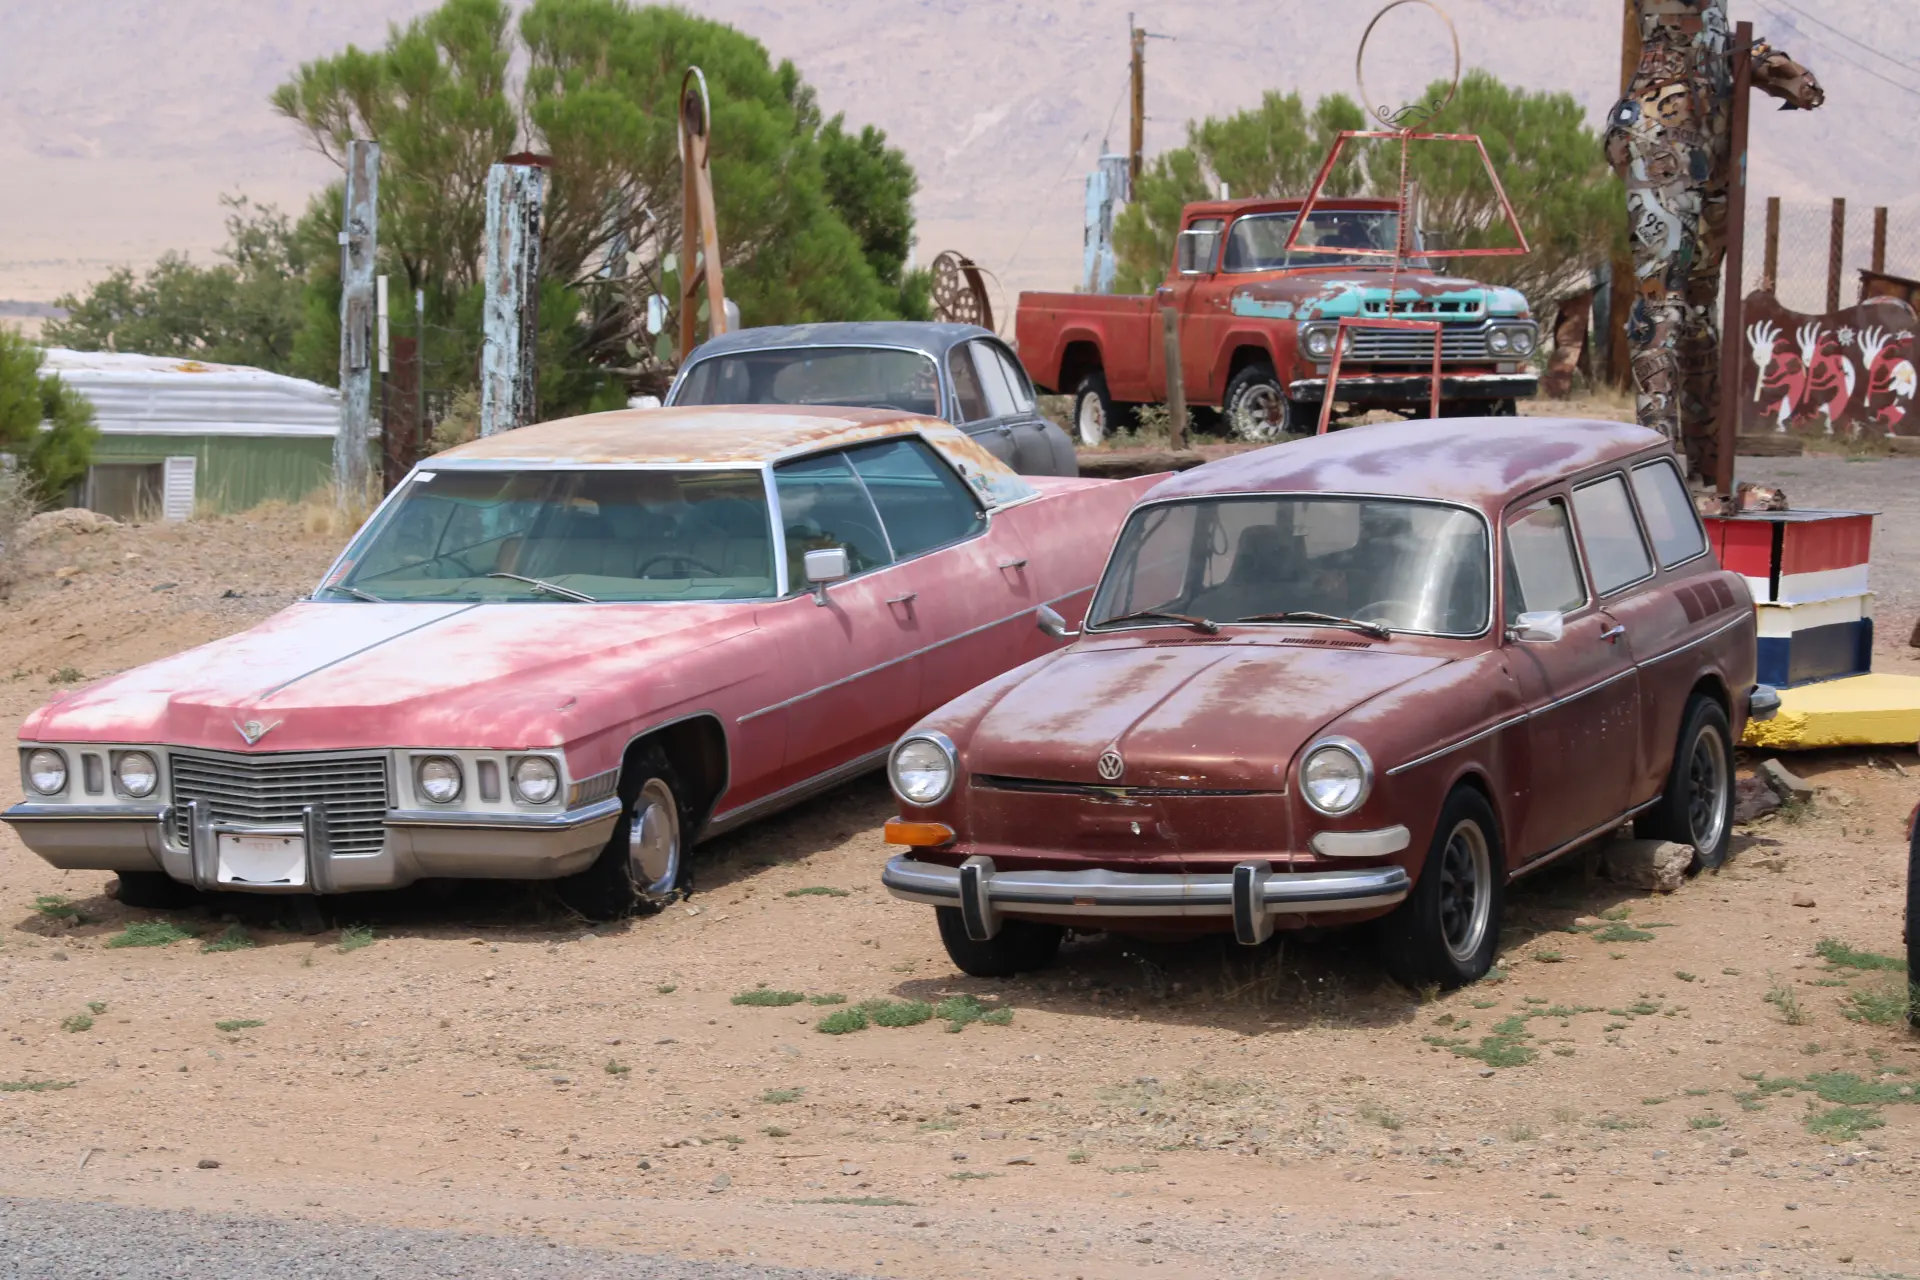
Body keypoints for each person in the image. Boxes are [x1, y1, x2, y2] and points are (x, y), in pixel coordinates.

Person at [1605, 1, 1823, 488]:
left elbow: (1716, 42)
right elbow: (1688, 37)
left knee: (1700, 311)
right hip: (1663, 130)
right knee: (1662, 298)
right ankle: (1653, 464)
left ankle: (1707, 469)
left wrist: (1773, 66)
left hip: (1710, 135)